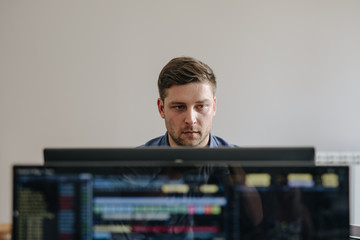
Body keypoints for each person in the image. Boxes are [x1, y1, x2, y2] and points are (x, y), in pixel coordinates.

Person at [143, 56, 235, 147]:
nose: (191, 120)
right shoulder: (135, 161)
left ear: (214, 106)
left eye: (201, 106)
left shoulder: (242, 161)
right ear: (161, 109)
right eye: (179, 107)